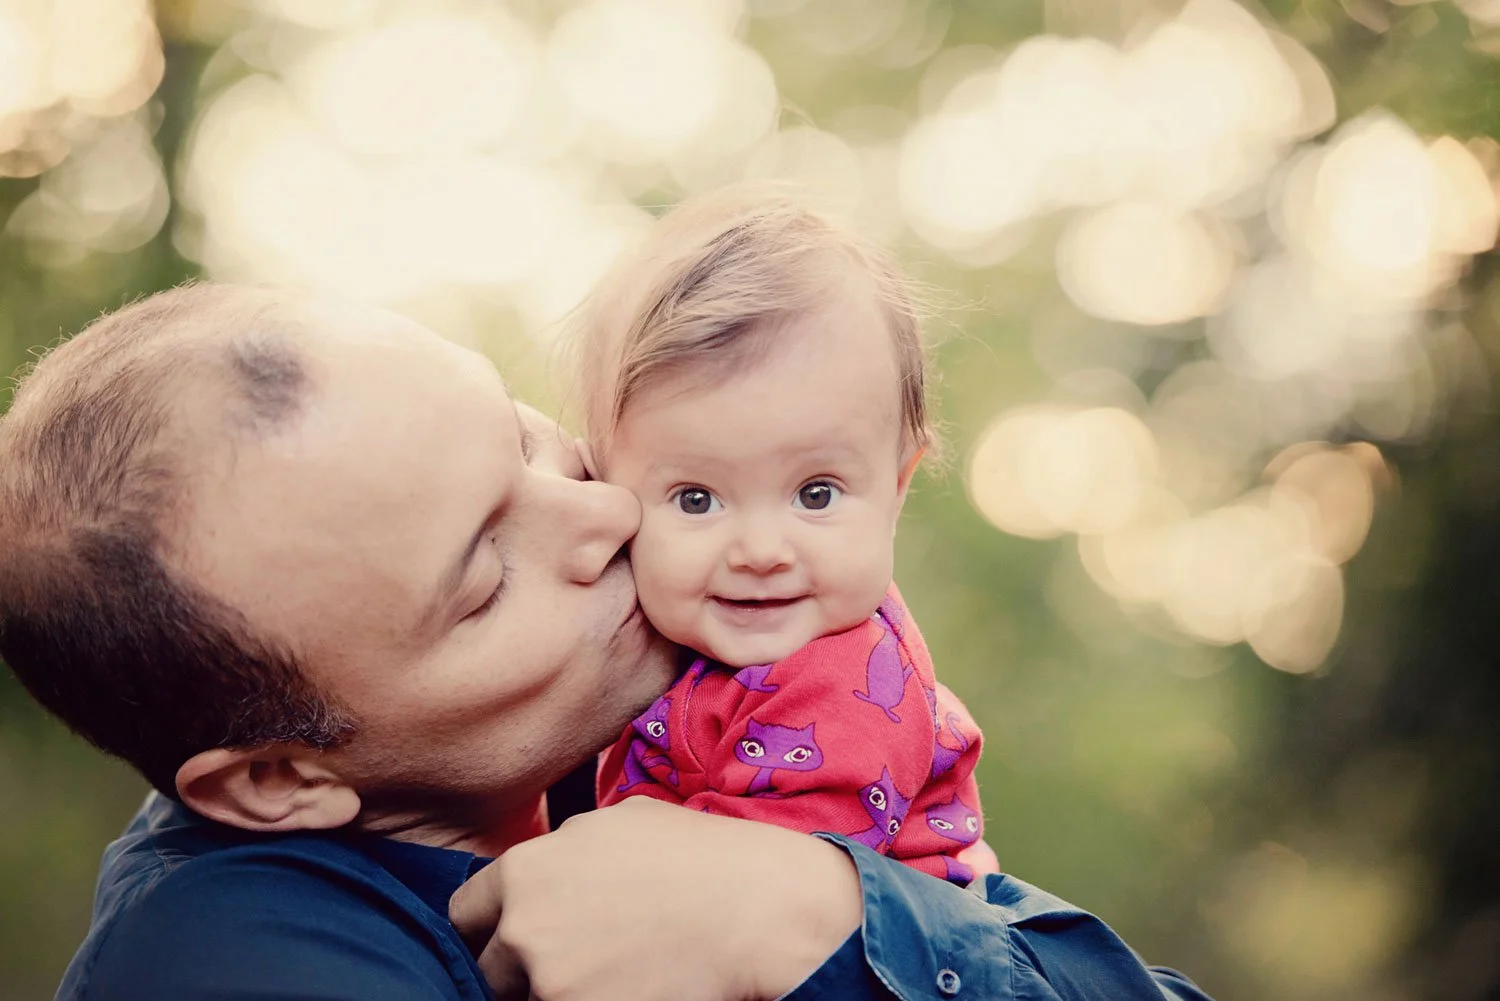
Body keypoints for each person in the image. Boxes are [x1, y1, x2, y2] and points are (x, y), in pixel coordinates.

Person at [0, 282, 1212, 1000]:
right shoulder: (233, 963)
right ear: (279, 779)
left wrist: (818, 915)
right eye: (484, 577)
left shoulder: (670, 724)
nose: (600, 511)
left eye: (524, 440)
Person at [578, 187, 989, 884]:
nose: (761, 551)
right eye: (698, 498)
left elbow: (752, 893)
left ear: (897, 488)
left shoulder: (843, 685)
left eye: (815, 493)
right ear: (607, 491)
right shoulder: (661, 640)